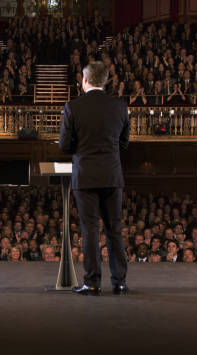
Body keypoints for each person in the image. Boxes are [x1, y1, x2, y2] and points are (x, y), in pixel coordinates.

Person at [59, 61, 130, 296]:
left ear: (84, 80)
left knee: (90, 230)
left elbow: (65, 145)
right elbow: (124, 143)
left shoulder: (73, 107)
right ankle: (119, 282)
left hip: (86, 175)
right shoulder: (120, 106)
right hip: (111, 174)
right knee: (114, 229)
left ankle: (92, 283)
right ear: (106, 81)